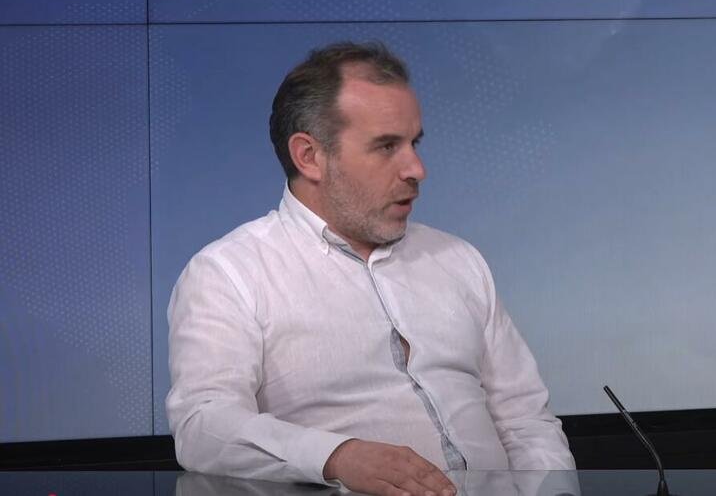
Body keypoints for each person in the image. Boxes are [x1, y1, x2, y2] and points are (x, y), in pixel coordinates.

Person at [166, 41, 576, 496]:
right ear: (309, 156)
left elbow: (525, 420)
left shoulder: (458, 259)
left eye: (414, 143)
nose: (416, 169)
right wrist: (337, 456)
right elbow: (203, 425)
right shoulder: (229, 274)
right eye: (386, 146)